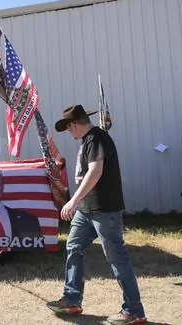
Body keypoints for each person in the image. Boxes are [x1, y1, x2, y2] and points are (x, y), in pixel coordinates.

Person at [46, 105, 146, 325]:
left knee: (117, 258)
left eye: (68, 128)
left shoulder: (96, 138)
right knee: (74, 246)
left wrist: (72, 201)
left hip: (104, 210)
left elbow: (95, 172)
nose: (69, 133)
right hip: (86, 209)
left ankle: (134, 311)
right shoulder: (89, 140)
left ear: (73, 124)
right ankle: (72, 299)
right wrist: (78, 203)